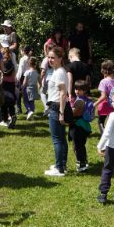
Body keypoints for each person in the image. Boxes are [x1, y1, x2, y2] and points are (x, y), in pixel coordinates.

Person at [44, 47, 70, 177]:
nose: (50, 59)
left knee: (57, 139)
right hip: (56, 106)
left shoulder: (59, 72)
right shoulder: (58, 71)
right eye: (49, 57)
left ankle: (59, 168)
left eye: (53, 57)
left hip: (56, 107)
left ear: (60, 58)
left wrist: (61, 113)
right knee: (61, 138)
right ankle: (62, 165)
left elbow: (62, 93)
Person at [70, 80, 93, 172]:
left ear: (85, 90)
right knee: (81, 145)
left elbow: (74, 113)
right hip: (85, 126)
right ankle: (83, 160)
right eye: (75, 89)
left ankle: (82, 164)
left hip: (78, 126)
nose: (77, 91)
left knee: (78, 146)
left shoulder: (80, 101)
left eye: (80, 90)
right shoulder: (87, 100)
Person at [93, 60, 114, 134]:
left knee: (101, 122)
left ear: (103, 70)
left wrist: (95, 104)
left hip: (105, 105)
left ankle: (104, 136)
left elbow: (103, 96)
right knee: (113, 122)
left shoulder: (103, 81)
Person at [0, 47, 17, 128]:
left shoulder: (7, 63)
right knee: (10, 102)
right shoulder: (9, 62)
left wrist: (1, 67)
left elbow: (6, 72)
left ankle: (5, 120)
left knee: (4, 102)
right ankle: (12, 116)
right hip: (11, 84)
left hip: (6, 84)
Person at [15, 45, 33, 114]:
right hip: (29, 77)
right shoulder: (30, 58)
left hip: (22, 78)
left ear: (23, 51)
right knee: (27, 93)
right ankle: (29, 108)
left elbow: (20, 70)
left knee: (18, 94)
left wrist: (17, 78)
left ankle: (19, 109)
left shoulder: (22, 59)